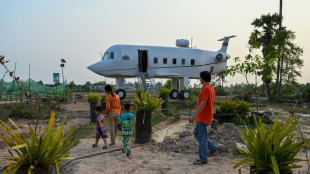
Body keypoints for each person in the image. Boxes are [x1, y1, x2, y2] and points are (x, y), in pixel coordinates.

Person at [189, 71, 218, 165]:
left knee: (202, 138)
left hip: (203, 117)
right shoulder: (211, 88)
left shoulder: (206, 89)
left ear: (202, 78)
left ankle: (203, 159)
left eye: (200, 77)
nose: (199, 79)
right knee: (196, 133)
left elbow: (203, 102)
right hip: (204, 116)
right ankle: (213, 148)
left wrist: (194, 116)